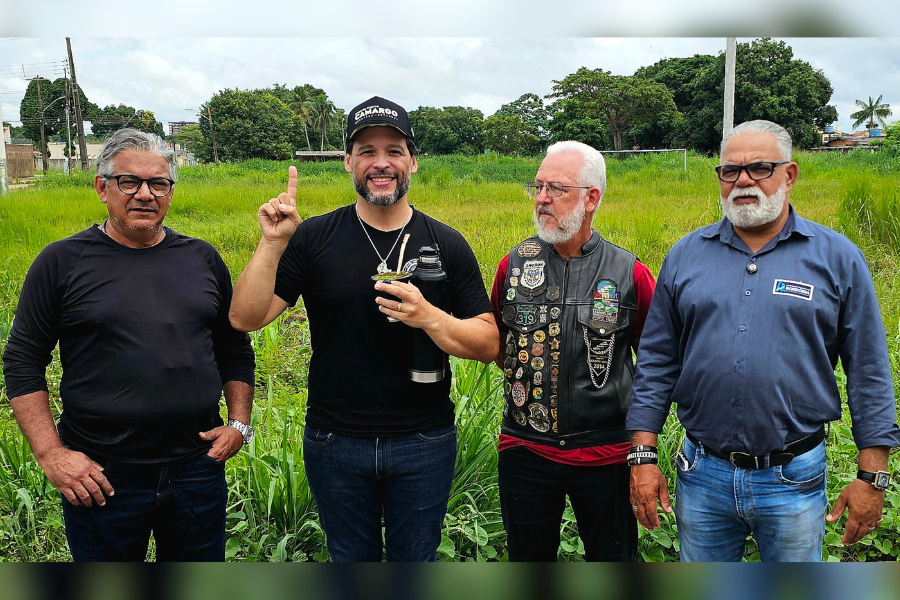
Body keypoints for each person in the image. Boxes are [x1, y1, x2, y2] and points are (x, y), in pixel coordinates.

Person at [229, 96, 497, 562]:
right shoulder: (314, 236)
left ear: (413, 161)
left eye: (394, 150)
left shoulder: (446, 242)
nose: (381, 163)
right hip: (335, 441)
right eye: (367, 151)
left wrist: (427, 315)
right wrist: (273, 243)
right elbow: (245, 318)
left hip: (424, 440)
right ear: (348, 161)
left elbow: (489, 343)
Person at [626, 120, 899, 562]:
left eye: (760, 168)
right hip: (702, 475)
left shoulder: (836, 258)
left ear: (788, 175)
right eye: (730, 171)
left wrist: (872, 477)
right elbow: (656, 362)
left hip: (792, 477)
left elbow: (868, 370)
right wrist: (642, 455)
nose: (744, 181)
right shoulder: (685, 255)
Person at [2, 128, 256, 562]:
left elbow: (234, 348)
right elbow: (23, 361)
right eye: (129, 182)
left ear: (171, 191)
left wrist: (239, 424)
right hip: (101, 475)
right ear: (103, 187)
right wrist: (50, 453)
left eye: (158, 183)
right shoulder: (62, 261)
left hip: (197, 468)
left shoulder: (202, 258)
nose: (145, 194)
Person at [489, 141, 656, 561]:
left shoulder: (628, 273)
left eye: (556, 189)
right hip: (525, 451)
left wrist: (641, 454)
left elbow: (655, 367)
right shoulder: (513, 265)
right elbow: (498, 343)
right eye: (538, 186)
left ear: (591, 198)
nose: (542, 198)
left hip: (606, 455)